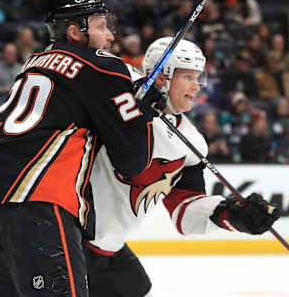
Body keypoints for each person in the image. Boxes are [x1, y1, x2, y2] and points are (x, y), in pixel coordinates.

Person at [0, 0, 166, 297]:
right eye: (100, 26)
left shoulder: (34, 63)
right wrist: (142, 113)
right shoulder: (103, 65)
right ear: (74, 31)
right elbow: (134, 160)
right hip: (35, 199)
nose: (109, 36)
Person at [84, 37, 280, 297]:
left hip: (109, 250)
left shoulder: (191, 142)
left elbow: (185, 213)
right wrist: (134, 106)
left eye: (198, 77)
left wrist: (232, 216)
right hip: (67, 240)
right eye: (188, 77)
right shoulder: (117, 105)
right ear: (162, 77)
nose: (196, 86)